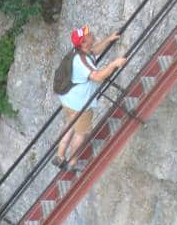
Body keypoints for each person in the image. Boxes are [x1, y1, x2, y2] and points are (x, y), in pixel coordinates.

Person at [53, 25, 127, 172]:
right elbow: (98, 77)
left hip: (68, 100)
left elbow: (95, 50)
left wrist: (109, 39)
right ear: (83, 43)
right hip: (80, 105)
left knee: (71, 125)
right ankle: (72, 163)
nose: (91, 33)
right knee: (81, 133)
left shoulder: (80, 52)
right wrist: (114, 64)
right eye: (88, 35)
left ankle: (59, 156)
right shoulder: (81, 62)